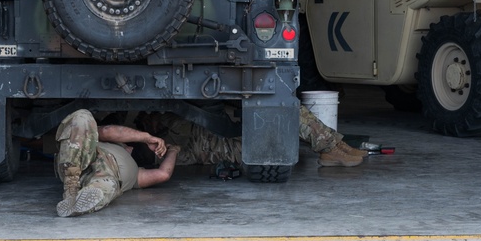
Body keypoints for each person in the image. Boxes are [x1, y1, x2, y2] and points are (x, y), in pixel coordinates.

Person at [132, 105, 365, 168]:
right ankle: (330, 146)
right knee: (285, 115)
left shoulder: (168, 128)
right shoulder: (162, 151)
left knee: (289, 109)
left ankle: (333, 145)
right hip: (236, 148)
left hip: (230, 135)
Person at [55, 108, 179, 218]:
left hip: (104, 176)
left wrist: (173, 150)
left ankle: (77, 202)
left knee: (108, 186)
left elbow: (164, 174)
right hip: (82, 157)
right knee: (82, 115)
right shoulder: (109, 142)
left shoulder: (137, 174)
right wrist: (146, 137)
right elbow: (106, 131)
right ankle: (71, 188)